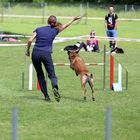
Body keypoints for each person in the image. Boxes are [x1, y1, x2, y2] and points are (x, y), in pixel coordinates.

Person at [25, 15, 81, 102]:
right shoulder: (55, 30)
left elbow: (29, 40)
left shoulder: (38, 29)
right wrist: (73, 19)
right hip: (46, 54)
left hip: (35, 53)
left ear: (48, 22)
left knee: (40, 75)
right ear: (55, 22)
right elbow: (65, 25)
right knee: (51, 74)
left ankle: (46, 96)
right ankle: (54, 85)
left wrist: (27, 51)